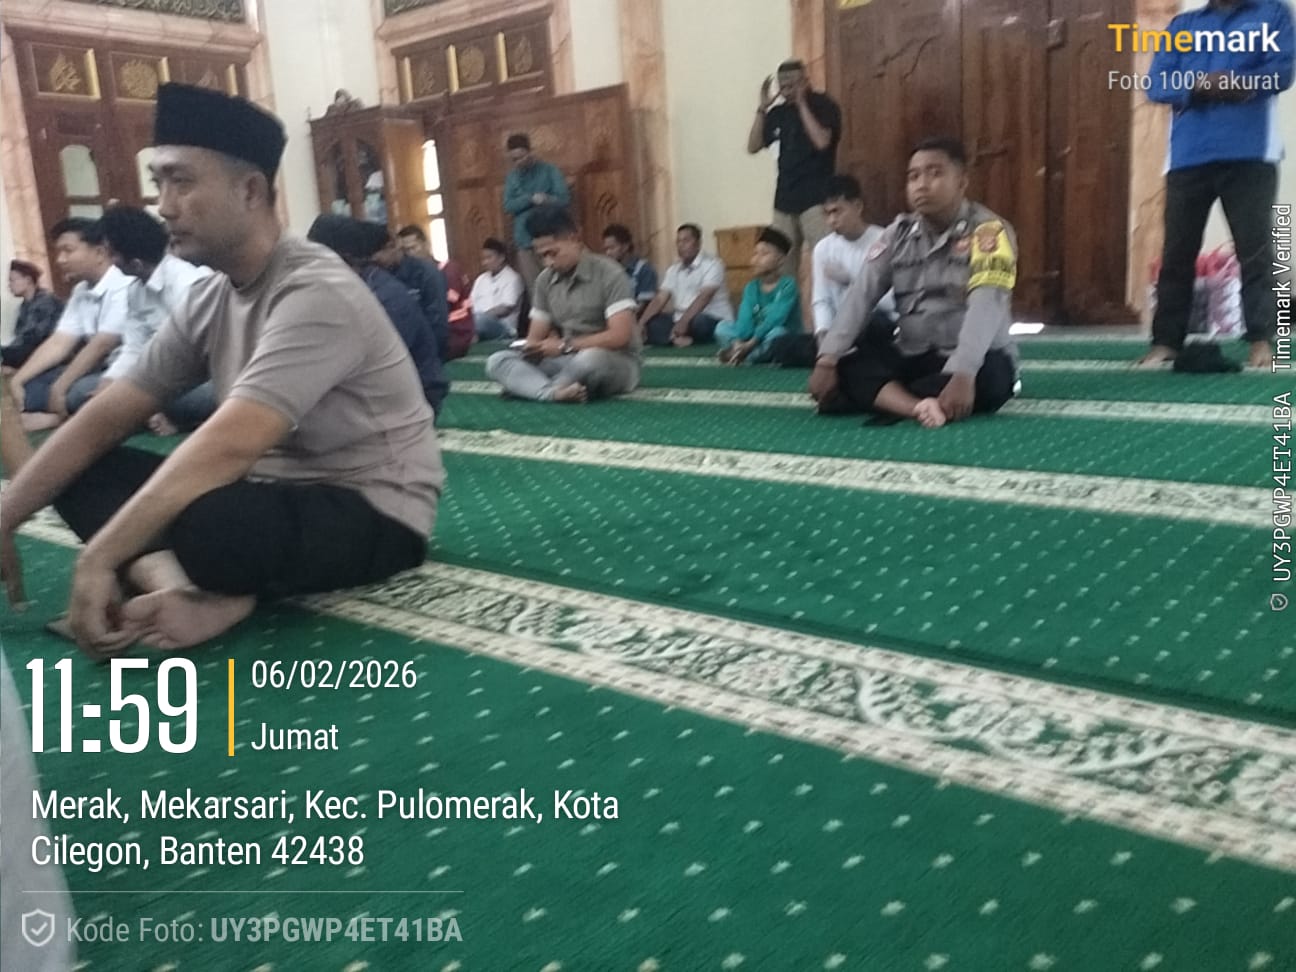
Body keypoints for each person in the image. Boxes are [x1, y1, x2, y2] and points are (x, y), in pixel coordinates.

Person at [0, 83, 441, 653]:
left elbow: (231, 444)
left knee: (214, 522)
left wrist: (100, 556)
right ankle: (176, 587)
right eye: (160, 183)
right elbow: (107, 415)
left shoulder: (315, 288)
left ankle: (205, 585)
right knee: (79, 467)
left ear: (250, 190)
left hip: (373, 509)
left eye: (181, 181)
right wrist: (5, 515)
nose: (164, 206)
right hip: (263, 492)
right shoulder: (211, 297)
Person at [809, 137, 1018, 429]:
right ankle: (918, 406)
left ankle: (890, 398)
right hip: (914, 353)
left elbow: (986, 305)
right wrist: (827, 359)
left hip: (973, 357)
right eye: (914, 176)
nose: (922, 184)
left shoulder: (989, 232)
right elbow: (861, 294)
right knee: (848, 365)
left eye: (935, 173)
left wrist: (964, 373)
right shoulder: (897, 234)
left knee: (995, 379)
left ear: (962, 182)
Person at [1139, 0, 1294, 370]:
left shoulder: (1272, 14)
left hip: (1250, 152)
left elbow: (1282, 71)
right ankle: (1166, 342)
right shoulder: (1183, 26)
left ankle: (1261, 340)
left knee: (1256, 251)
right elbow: (1156, 84)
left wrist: (1240, 83)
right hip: (1188, 155)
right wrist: (1197, 86)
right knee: (1177, 254)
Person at [485, 205, 639, 403]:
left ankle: (536, 388)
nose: (548, 262)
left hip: (615, 361)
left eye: (553, 253)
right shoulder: (545, 280)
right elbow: (535, 337)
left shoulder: (610, 273)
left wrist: (565, 346)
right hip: (566, 360)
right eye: (542, 256)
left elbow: (620, 336)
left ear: (575, 238)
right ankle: (555, 392)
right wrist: (533, 350)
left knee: (589, 359)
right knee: (497, 361)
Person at [308, 214, 449, 414]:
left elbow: (368, 364)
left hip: (415, 395)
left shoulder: (384, 297)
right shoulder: (353, 287)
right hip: (377, 389)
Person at [97, 206, 214, 433]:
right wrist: (110, 380)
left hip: (206, 377)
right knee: (84, 393)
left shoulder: (185, 283)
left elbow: (199, 356)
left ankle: (176, 417)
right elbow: (134, 347)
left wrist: (147, 393)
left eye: (112, 254)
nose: (109, 261)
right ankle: (154, 412)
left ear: (136, 264)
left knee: (188, 401)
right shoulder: (135, 291)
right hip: (163, 379)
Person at [8, 218, 132, 422]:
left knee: (77, 392)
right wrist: (18, 380)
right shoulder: (81, 290)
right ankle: (54, 413)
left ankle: (56, 419)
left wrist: (60, 387)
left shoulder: (124, 285)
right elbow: (59, 342)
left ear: (100, 253)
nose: (60, 260)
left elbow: (102, 344)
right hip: (97, 368)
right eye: (59, 252)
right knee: (27, 388)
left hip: (125, 369)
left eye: (68, 250)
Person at [747, 59, 842, 277]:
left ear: (806, 81)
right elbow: (753, 146)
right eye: (783, 86)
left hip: (816, 197)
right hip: (784, 200)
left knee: (826, 260)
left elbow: (822, 142)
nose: (787, 91)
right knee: (780, 266)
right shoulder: (777, 113)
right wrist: (762, 109)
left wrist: (802, 105)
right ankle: (788, 300)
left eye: (793, 85)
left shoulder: (823, 105)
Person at [715, 228, 801, 365]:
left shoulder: (788, 285)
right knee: (722, 327)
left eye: (764, 254)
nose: (756, 259)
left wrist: (750, 344)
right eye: (755, 253)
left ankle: (746, 355)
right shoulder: (751, 287)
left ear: (780, 260)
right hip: (750, 338)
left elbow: (774, 320)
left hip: (771, 335)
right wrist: (740, 342)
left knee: (778, 334)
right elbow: (744, 320)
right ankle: (742, 351)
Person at [638, 224, 734, 347]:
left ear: (698, 243)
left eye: (686, 241)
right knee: (652, 323)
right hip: (679, 319)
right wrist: (641, 323)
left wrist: (684, 321)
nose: (681, 245)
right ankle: (679, 338)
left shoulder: (713, 264)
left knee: (700, 323)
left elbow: (704, 297)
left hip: (709, 317)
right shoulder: (673, 269)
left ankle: (678, 339)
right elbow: (660, 298)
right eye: (678, 242)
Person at [502, 133, 571, 289]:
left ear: (530, 152)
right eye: (514, 159)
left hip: (550, 238)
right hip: (524, 241)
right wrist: (530, 199)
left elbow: (564, 199)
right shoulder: (512, 177)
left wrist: (546, 199)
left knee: (557, 284)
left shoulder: (549, 171)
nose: (518, 162)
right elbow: (508, 205)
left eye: (521, 157)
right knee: (535, 289)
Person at [382, 225, 450, 361]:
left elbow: (438, 320)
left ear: (425, 244)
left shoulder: (431, 273)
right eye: (405, 250)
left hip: (431, 347)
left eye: (413, 248)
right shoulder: (389, 274)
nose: (410, 253)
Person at [2, 260, 63, 369]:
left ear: (28, 280)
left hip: (55, 360)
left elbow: (31, 340)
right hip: (36, 357)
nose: (9, 285)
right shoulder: (25, 306)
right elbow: (21, 340)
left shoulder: (45, 302)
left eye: (12, 280)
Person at [470, 237, 525, 340]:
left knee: (480, 320)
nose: (485, 262)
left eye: (489, 257)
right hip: (477, 322)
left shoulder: (512, 278)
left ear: (501, 257)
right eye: (483, 259)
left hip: (503, 328)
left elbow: (506, 308)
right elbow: (470, 304)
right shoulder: (480, 279)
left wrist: (481, 317)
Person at [602, 223, 658, 315]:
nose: (608, 253)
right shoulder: (608, 271)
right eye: (606, 249)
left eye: (612, 248)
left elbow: (643, 305)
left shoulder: (644, 269)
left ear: (625, 246)